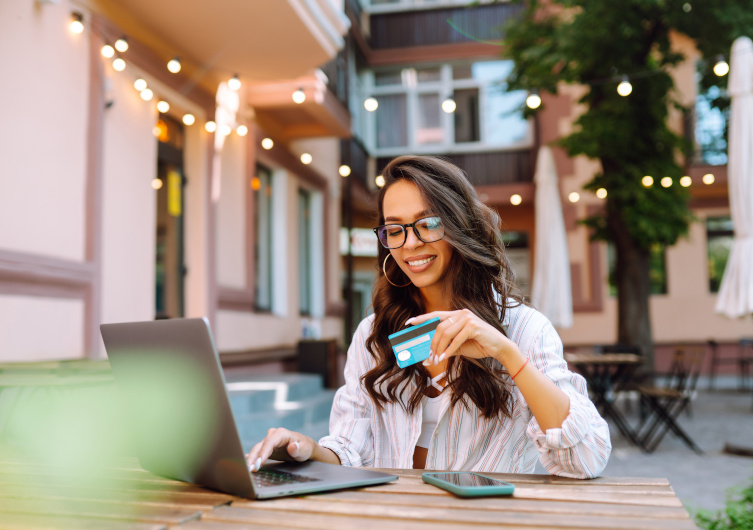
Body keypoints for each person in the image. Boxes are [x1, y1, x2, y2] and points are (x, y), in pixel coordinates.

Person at [247, 155, 611, 478]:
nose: (410, 244)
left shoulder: (525, 329)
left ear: (459, 225)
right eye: (395, 229)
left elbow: (586, 459)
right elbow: (350, 450)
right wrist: (307, 450)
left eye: (428, 224)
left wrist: (507, 354)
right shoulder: (374, 334)